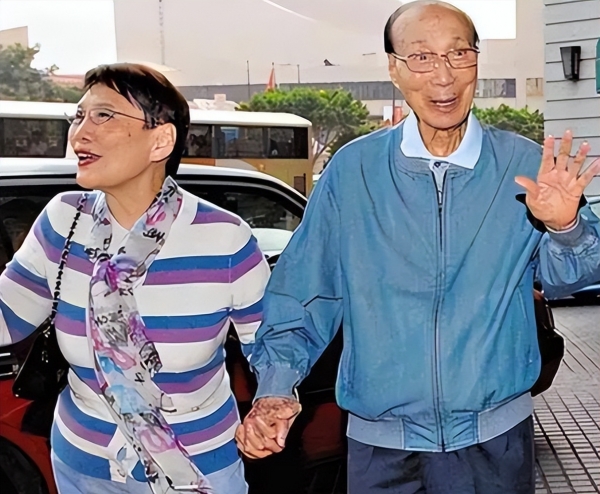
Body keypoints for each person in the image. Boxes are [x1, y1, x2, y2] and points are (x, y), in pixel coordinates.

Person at [236, 2, 600, 494]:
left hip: (495, 441)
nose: (443, 76)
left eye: (458, 54)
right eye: (422, 57)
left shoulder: (524, 164)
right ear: (394, 68)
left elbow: (571, 277)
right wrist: (277, 387)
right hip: (380, 447)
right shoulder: (353, 171)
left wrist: (567, 227)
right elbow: (304, 293)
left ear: (477, 61)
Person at [0, 63, 270, 494]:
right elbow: (7, 316)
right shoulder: (63, 221)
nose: (79, 133)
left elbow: (270, 344)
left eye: (103, 115)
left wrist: (272, 405)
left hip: (199, 465)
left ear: (160, 140)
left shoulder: (224, 237)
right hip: (83, 464)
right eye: (79, 116)